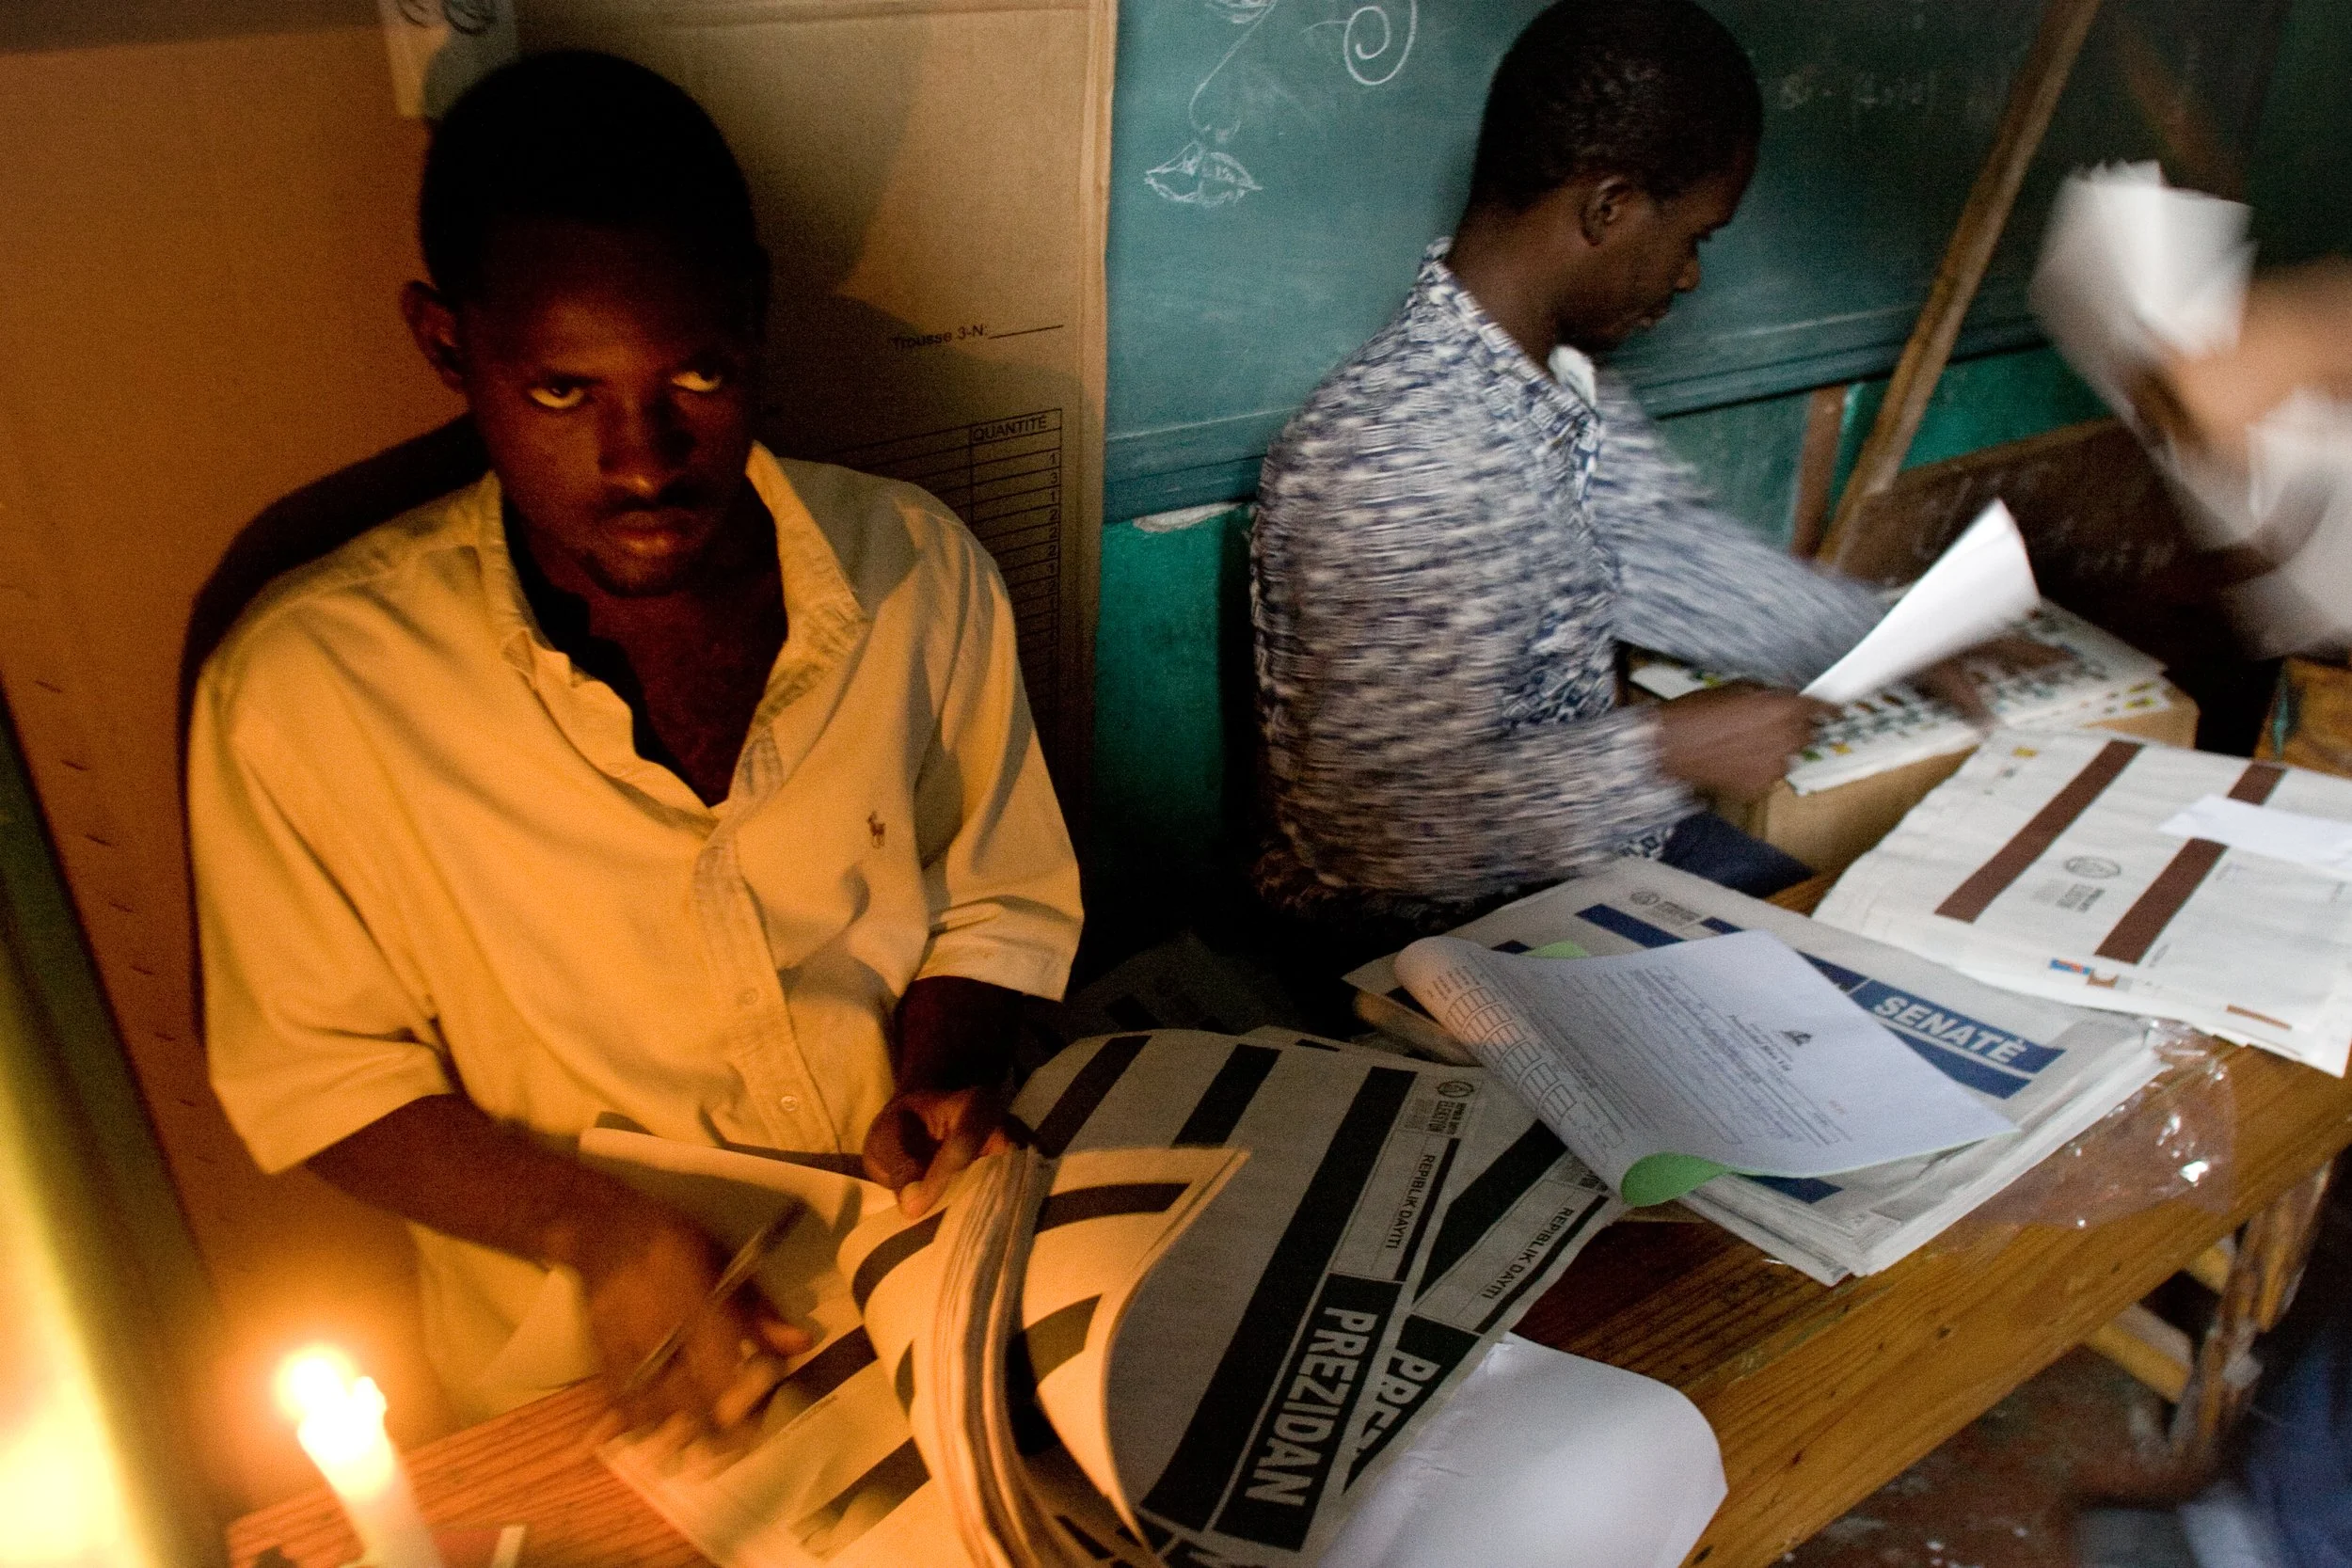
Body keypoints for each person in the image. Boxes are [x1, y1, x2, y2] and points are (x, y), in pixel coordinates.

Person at [187, 52, 1082, 1434]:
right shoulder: (308, 690)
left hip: (928, 1282)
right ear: (447, 346)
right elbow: (321, 1076)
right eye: (562, 392)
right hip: (608, 1382)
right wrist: (599, 1229)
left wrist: (938, 1077)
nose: (647, 456)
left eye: (701, 374)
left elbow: (997, 898)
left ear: (757, 324)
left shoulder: (916, 567)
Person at [1252, 0, 1981, 942]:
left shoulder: (1549, 383)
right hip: (1432, 932)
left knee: (1869, 953)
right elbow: (1367, 830)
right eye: (1693, 239)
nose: (1686, 278)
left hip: (1589, 862)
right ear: (1608, 207)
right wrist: (1666, 747)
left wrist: (1892, 636)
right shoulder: (1401, 451)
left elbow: (1673, 553)